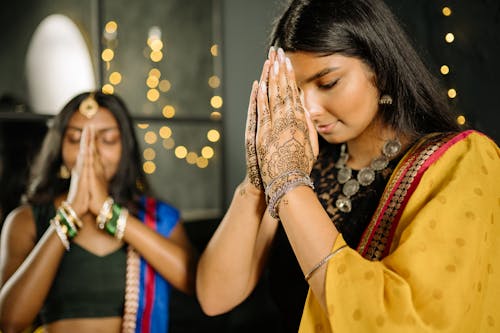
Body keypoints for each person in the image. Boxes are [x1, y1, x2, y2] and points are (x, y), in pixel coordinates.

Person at [196, 0, 500, 332]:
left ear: (381, 71)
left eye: (327, 83)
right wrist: (259, 176)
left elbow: (406, 321)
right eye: (294, 90)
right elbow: (215, 297)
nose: (308, 108)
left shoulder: (460, 161)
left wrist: (289, 182)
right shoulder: (300, 164)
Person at [0, 91, 196, 333]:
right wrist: (71, 212)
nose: (89, 151)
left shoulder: (156, 217)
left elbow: (195, 282)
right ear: (59, 146)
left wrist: (107, 210)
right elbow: (9, 322)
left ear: (126, 148)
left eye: (108, 139)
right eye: (75, 139)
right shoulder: (26, 220)